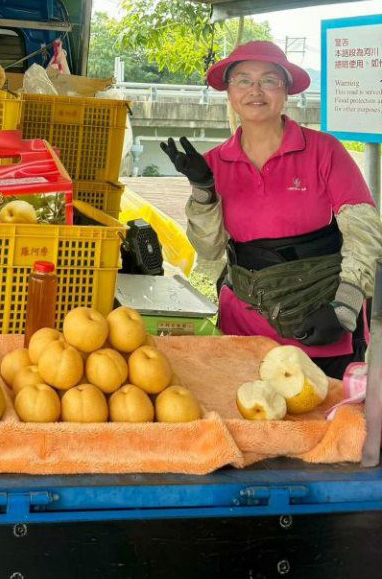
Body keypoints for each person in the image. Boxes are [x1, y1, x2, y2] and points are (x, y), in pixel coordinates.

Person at [161, 41, 382, 379]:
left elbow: (364, 231)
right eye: (243, 80)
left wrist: (345, 307)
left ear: (286, 91)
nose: (255, 91)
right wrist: (203, 190)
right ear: (230, 92)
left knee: (327, 423)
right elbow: (209, 248)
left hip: (320, 320)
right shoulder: (213, 163)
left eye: (268, 80)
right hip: (246, 324)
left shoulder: (324, 151)